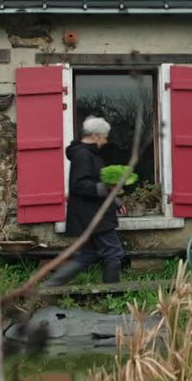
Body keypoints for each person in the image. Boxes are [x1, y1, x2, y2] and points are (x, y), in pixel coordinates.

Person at [47, 115, 127, 285]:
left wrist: (115, 202)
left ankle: (49, 286)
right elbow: (79, 185)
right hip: (92, 214)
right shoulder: (83, 155)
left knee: (88, 253)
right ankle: (112, 294)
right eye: (104, 137)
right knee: (113, 251)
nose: (105, 141)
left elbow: (98, 183)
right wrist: (104, 189)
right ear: (96, 135)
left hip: (91, 213)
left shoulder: (90, 154)